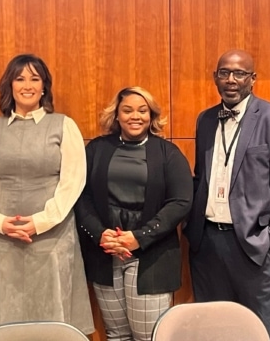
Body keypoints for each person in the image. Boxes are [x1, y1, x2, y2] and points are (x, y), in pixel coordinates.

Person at [0, 54, 94, 338]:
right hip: (3, 237)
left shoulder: (64, 126)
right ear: (9, 85)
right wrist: (0, 222)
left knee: (53, 317)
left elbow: (72, 182)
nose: (27, 85)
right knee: (5, 318)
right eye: (20, 78)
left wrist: (40, 222)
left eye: (34, 79)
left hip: (52, 238)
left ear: (44, 87)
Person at [184, 49, 270, 341]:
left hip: (254, 246)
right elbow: (202, 177)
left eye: (239, 74)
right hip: (208, 244)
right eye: (224, 73)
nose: (231, 80)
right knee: (214, 331)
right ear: (215, 77)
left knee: (264, 331)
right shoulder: (206, 120)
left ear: (253, 78)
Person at [75, 87, 193, 341]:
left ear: (151, 116)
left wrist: (139, 237)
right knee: (116, 335)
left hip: (151, 256)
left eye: (142, 110)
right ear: (116, 115)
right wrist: (100, 234)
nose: (135, 116)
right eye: (127, 110)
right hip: (105, 254)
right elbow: (80, 197)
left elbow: (180, 202)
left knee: (148, 337)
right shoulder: (96, 150)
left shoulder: (168, 153)